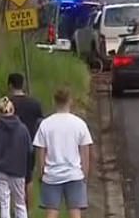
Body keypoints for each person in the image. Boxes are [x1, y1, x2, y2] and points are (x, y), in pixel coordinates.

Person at [34, 88, 93, 218]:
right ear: (70, 101)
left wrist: (41, 173)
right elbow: (85, 153)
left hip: (51, 175)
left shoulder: (45, 124)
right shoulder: (79, 124)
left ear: (54, 101)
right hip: (74, 174)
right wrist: (85, 175)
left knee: (51, 212)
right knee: (75, 212)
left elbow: (41, 152)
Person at [0, 97, 31, 218]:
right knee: (20, 204)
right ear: (13, 110)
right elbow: (29, 150)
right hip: (18, 170)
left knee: (3, 204)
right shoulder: (23, 129)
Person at [8, 72, 44, 207]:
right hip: (29, 146)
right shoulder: (34, 103)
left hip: (9, 147)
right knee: (28, 179)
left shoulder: (7, 103)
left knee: (10, 180)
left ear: (10, 85)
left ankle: (14, 209)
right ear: (22, 85)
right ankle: (27, 210)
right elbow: (40, 123)